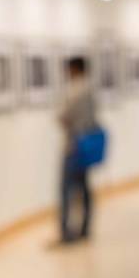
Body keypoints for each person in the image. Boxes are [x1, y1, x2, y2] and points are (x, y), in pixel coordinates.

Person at [57, 56, 98, 243]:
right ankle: (85, 228)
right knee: (84, 188)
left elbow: (63, 117)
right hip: (87, 145)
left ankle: (66, 232)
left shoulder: (74, 91)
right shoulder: (90, 90)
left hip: (73, 146)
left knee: (66, 190)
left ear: (74, 69)